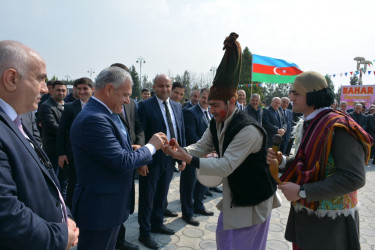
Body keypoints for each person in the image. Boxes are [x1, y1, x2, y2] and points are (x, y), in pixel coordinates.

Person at [166, 32, 280, 250]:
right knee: (225, 242)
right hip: (235, 195)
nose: (212, 111)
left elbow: (226, 164)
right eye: (210, 105)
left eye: (217, 105)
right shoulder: (216, 121)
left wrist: (187, 158)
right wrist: (178, 150)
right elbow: (201, 146)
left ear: (233, 101)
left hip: (253, 200)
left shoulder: (248, 130)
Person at [267, 71, 372, 250]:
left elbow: (354, 178)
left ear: (313, 96)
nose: (290, 96)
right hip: (308, 219)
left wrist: (302, 192)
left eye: (296, 93)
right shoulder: (310, 122)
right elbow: (308, 162)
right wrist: (283, 161)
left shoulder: (338, 127)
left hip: (331, 226)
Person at [70, 67, 167, 250]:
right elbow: (121, 161)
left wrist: (132, 150)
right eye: (125, 94)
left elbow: (109, 152)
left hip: (110, 206)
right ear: (108, 89)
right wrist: (151, 146)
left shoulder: (107, 113)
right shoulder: (95, 118)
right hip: (99, 210)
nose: (127, 100)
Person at [0, 40, 79, 249]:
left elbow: (44, 174)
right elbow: (6, 214)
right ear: (11, 79)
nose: (45, 89)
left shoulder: (21, 116)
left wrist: (65, 216)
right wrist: (59, 236)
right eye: (41, 79)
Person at [137, 74, 186, 249]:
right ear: (154, 87)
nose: (164, 89)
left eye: (167, 86)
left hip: (170, 158)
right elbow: (140, 133)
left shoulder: (177, 106)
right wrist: (141, 160)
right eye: (160, 86)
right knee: (147, 197)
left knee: (162, 194)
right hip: (151, 160)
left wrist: (183, 155)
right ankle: (145, 232)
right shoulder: (144, 106)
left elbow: (180, 130)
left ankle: (157, 223)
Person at [110, 62, 144, 250]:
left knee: (125, 202)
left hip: (131, 158)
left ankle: (120, 240)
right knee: (115, 203)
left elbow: (137, 127)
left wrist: (139, 147)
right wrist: (147, 150)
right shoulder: (104, 110)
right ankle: (114, 241)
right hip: (119, 159)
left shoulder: (130, 103)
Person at [57, 77, 94, 208]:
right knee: (73, 187)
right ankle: (71, 217)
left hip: (95, 156)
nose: (82, 91)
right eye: (79, 89)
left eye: (85, 88)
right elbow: (61, 132)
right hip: (74, 156)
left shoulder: (98, 107)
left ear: (92, 89)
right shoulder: (70, 107)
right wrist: (61, 153)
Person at [180, 88, 214, 227]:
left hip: (205, 158)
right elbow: (191, 136)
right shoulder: (190, 112)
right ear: (199, 97)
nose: (206, 100)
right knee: (188, 185)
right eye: (204, 97)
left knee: (202, 183)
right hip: (192, 155)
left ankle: (198, 206)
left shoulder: (210, 113)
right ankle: (187, 213)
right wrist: (206, 149)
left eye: (208, 98)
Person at [39, 80, 68, 196]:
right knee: (52, 182)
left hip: (65, 151)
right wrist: (73, 132)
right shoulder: (46, 107)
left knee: (64, 182)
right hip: (53, 152)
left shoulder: (67, 106)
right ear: (52, 91)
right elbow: (54, 128)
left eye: (63, 90)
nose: (61, 93)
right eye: (58, 90)